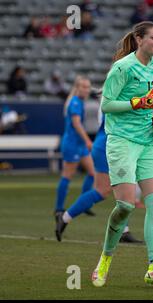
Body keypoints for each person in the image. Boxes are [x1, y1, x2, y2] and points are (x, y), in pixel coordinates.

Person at [91, 21, 153, 288]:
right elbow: (106, 105)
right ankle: (105, 259)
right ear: (139, 39)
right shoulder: (122, 67)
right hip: (122, 142)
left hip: (147, 143)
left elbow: (151, 108)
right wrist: (137, 103)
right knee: (126, 205)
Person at [55, 109, 143, 243]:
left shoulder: (124, 97)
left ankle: (123, 231)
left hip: (112, 148)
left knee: (126, 190)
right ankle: (65, 217)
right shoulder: (123, 99)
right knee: (103, 190)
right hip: (107, 149)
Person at [53, 76, 95, 217]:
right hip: (72, 144)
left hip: (79, 144)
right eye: (84, 87)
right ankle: (59, 209)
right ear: (77, 88)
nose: (87, 90)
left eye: (88, 87)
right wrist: (88, 140)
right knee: (67, 175)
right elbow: (77, 124)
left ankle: (82, 204)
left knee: (92, 173)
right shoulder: (75, 103)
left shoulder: (79, 102)